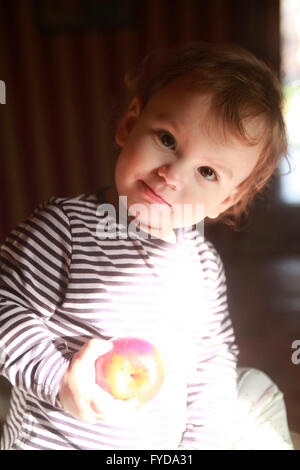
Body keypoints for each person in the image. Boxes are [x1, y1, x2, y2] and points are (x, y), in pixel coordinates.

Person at [0, 41, 294, 450]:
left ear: (226, 199)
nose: (172, 176)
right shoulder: (64, 228)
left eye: (207, 171)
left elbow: (211, 363)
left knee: (251, 388)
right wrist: (58, 381)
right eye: (167, 140)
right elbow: (6, 310)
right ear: (129, 124)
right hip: (54, 441)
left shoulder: (203, 265)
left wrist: (201, 443)